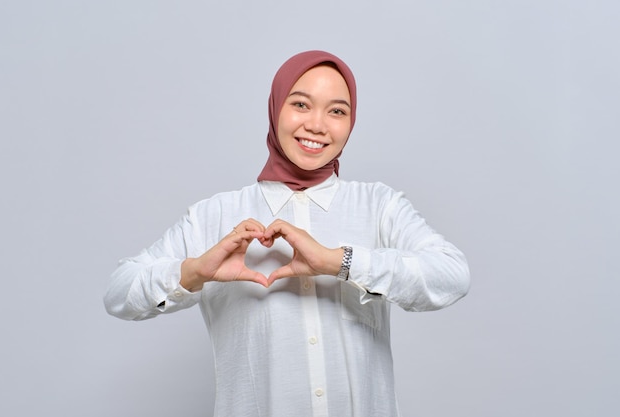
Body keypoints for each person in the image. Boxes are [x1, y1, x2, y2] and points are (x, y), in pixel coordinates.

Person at [104, 50, 470, 417]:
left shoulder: (378, 206)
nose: (317, 125)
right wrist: (195, 272)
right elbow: (119, 292)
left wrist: (339, 262)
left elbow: (452, 275)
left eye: (337, 111)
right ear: (276, 107)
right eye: (301, 104)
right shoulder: (215, 215)